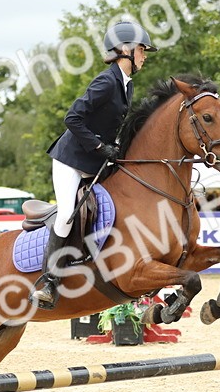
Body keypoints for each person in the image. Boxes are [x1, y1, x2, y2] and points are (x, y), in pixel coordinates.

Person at [33, 20, 155, 309]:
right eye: (142, 50)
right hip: (72, 160)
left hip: (97, 161)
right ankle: (49, 281)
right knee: (67, 213)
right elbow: (72, 118)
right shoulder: (106, 82)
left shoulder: (126, 85)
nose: (144, 56)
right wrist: (100, 147)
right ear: (125, 50)